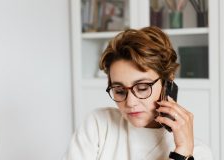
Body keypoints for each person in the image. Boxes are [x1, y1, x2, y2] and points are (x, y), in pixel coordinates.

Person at [63, 26, 213, 160]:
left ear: (167, 82)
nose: (130, 102)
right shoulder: (99, 125)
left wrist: (182, 153)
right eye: (119, 91)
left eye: (142, 88)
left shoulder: (196, 152)